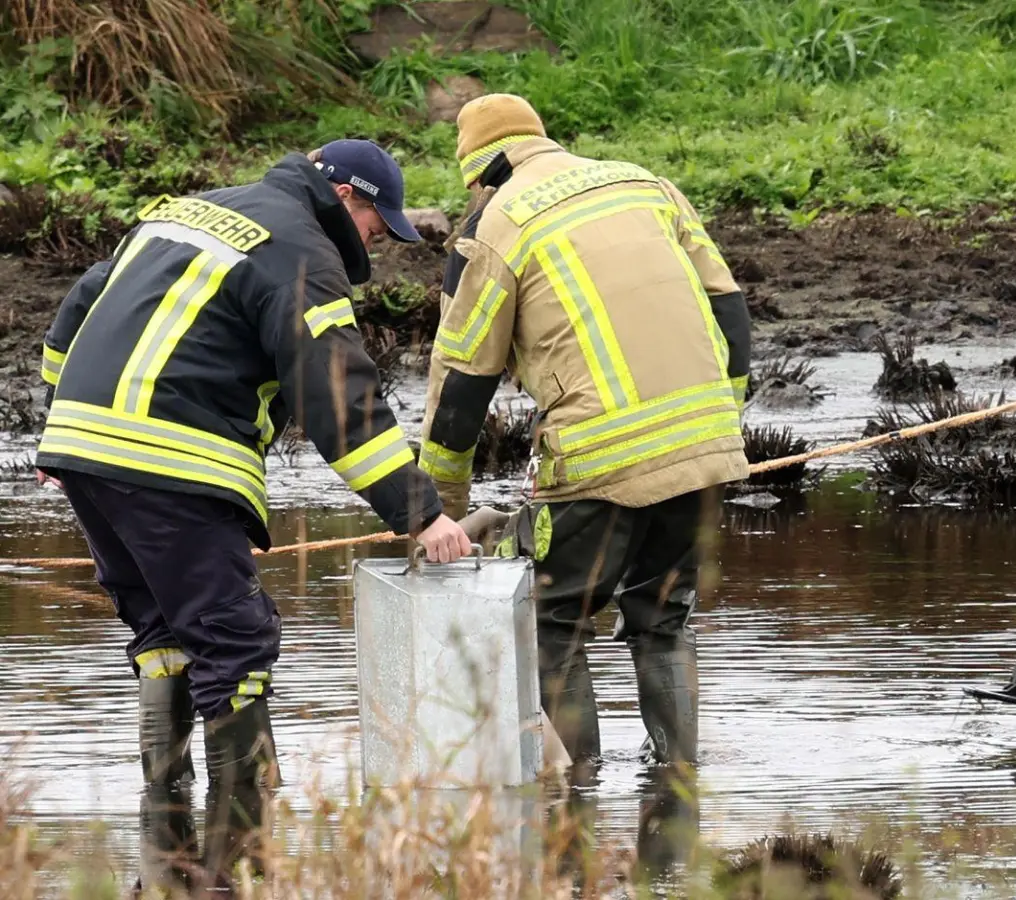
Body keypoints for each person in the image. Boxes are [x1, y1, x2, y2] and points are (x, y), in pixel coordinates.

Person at [33, 139, 473, 889]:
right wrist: (422, 516)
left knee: (164, 635)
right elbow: (336, 399)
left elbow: (84, 301)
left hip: (83, 446)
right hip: (172, 461)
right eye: (377, 225)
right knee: (235, 645)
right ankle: (243, 833)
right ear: (346, 198)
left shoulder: (199, 207)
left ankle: (164, 834)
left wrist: (61, 424)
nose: (378, 243)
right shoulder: (300, 251)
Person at [416, 94, 752, 771]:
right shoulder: (645, 183)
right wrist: (719, 428)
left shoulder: (495, 226)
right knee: (664, 621)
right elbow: (732, 315)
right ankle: (676, 789)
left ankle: (581, 803)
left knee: (554, 623)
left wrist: (443, 512)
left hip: (597, 457)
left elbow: (459, 395)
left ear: (479, 177)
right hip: (705, 447)